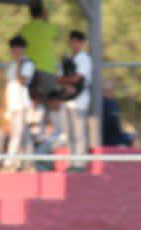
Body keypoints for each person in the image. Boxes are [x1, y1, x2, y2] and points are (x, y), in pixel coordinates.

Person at [0, 35, 37, 168]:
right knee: (22, 134)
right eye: (13, 49)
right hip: (12, 104)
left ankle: (10, 160)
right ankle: (29, 160)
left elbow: (22, 80)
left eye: (18, 49)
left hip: (21, 104)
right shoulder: (12, 65)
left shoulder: (27, 64)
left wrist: (20, 64)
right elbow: (8, 85)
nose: (15, 52)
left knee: (17, 133)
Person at [58, 29, 95, 164]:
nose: (74, 45)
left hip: (79, 101)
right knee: (69, 133)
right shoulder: (68, 59)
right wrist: (67, 82)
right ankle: (71, 161)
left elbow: (77, 78)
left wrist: (67, 81)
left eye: (77, 42)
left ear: (82, 43)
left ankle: (79, 162)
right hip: (67, 100)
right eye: (72, 42)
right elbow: (60, 79)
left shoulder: (84, 59)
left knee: (79, 132)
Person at [22, 2, 60, 107]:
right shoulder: (50, 28)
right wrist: (46, 19)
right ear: (43, 13)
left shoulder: (24, 30)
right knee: (51, 105)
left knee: (35, 105)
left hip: (31, 74)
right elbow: (57, 36)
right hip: (48, 71)